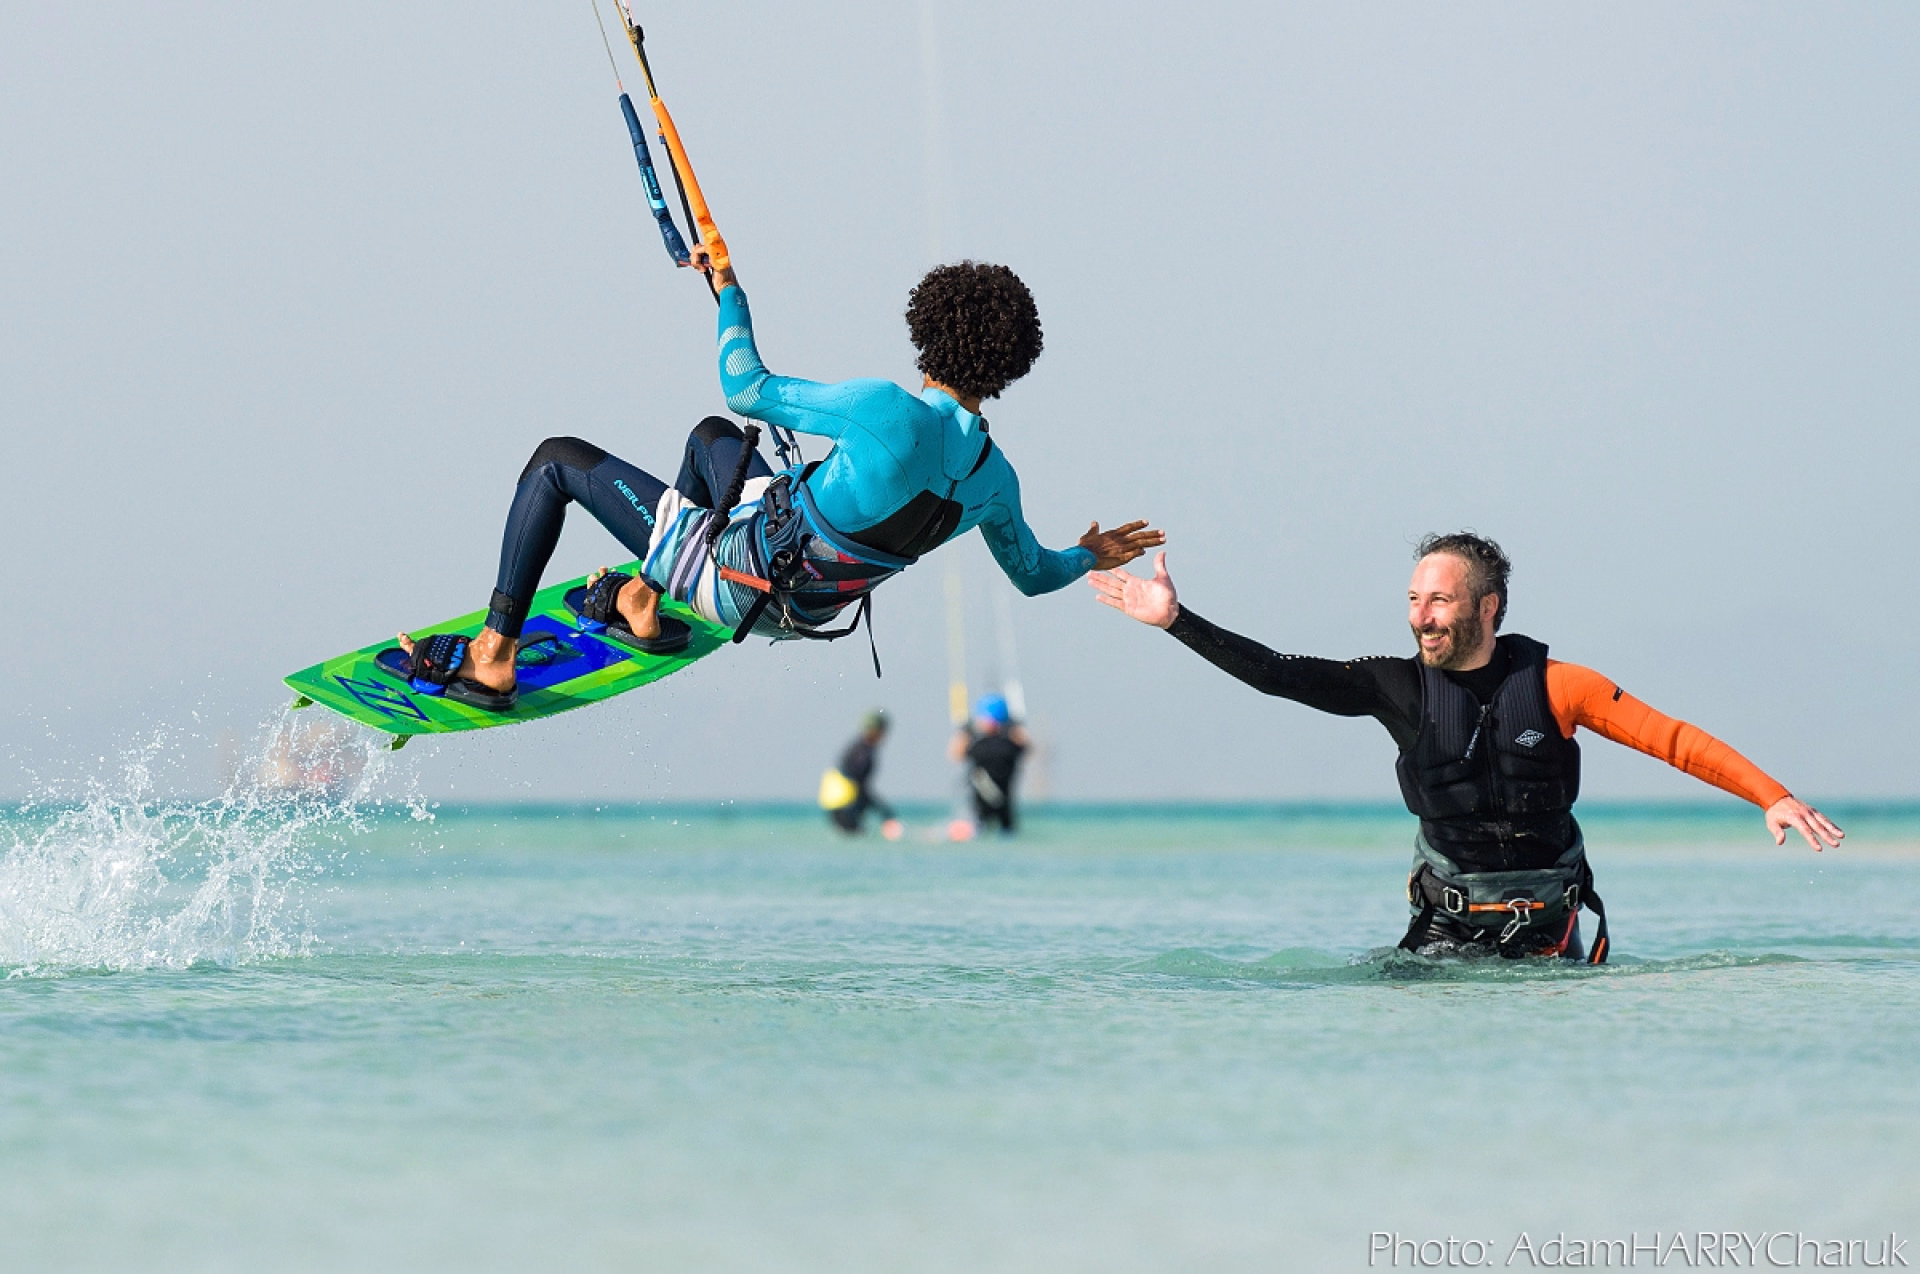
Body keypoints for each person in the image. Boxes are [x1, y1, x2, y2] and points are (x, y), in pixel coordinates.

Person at [392, 258, 1163, 709]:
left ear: (926, 330)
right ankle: (641, 602)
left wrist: (730, 291)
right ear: (1009, 369)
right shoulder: (996, 480)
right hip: (803, 611)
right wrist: (1088, 556)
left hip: (733, 579)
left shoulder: (884, 410)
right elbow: (1033, 575)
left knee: (555, 461)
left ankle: (494, 653)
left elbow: (747, 384)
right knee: (712, 441)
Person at [1089, 533, 1845, 962]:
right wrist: (1176, 620)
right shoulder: (1394, 687)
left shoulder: (1560, 686)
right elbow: (1276, 674)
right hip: (1447, 928)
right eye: (1414, 599)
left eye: (1439, 600)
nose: (1421, 616)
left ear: (1487, 606)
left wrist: (1770, 796)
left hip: (1550, 925)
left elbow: (1672, 740)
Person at [948, 693, 1029, 834]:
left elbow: (955, 754)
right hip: (988, 809)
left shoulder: (984, 746)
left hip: (995, 808)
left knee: (986, 829)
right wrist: (1016, 726)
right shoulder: (1008, 744)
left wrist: (964, 731)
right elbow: (1026, 745)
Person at [820, 710, 903, 838]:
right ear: (876, 731)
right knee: (859, 834)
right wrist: (886, 814)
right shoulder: (863, 753)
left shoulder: (856, 747)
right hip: (846, 809)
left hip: (836, 809)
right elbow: (860, 787)